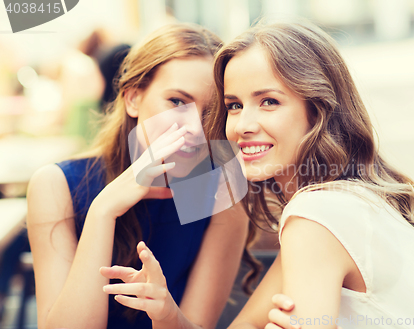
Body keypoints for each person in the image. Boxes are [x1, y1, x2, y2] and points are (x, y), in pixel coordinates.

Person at [202, 21, 414, 328]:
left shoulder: (316, 216)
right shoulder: (341, 203)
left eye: (269, 102)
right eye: (234, 105)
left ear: (318, 109)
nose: (241, 125)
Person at [27, 23, 249, 329]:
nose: (195, 129)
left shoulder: (223, 189)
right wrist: (103, 211)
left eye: (212, 113)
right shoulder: (56, 186)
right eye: (177, 102)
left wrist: (167, 314)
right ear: (133, 99)